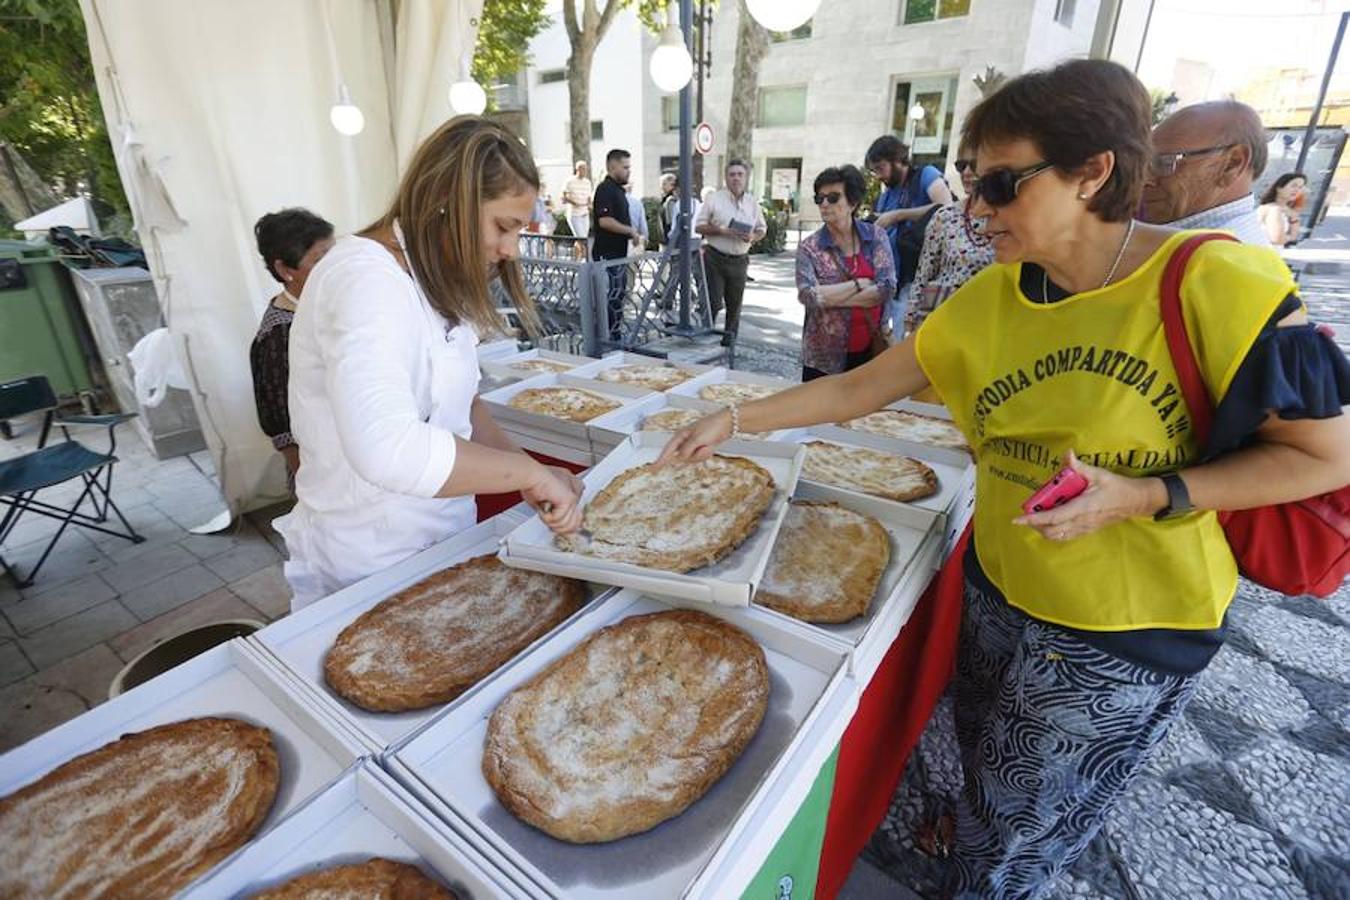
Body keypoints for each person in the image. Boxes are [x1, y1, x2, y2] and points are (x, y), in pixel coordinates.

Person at [661, 59, 1350, 899]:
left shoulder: (1215, 282)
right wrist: (731, 420)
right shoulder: (993, 299)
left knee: (1010, 847)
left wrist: (1147, 494)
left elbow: (1325, 456)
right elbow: (857, 386)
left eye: (1000, 183)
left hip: (1121, 633)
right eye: (967, 180)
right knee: (983, 784)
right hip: (998, 594)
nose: (975, 207)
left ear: (1093, 171)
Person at [275, 117, 584, 611]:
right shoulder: (365, 280)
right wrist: (526, 474)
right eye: (504, 227)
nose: (509, 250)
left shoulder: (432, 274)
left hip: (444, 537)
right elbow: (387, 448)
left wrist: (533, 468)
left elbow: (465, 404)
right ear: (448, 201)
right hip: (367, 558)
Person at [249, 208, 335, 483]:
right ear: (285, 269)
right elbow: (282, 428)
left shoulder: (321, 304)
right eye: (320, 260)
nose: (334, 267)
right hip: (323, 473)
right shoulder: (278, 337)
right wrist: (314, 486)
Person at [795, 164, 895, 381]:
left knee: (864, 414)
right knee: (818, 413)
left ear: (853, 202)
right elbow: (808, 296)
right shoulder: (809, 248)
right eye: (819, 198)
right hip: (823, 355)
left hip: (870, 349)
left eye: (833, 198)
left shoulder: (876, 237)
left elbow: (887, 288)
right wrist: (859, 284)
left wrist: (828, 296)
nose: (824, 204)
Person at [1141, 100, 1269, 244]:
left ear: (1232, 164)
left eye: (1166, 162)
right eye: (1144, 163)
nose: (1145, 178)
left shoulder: (1220, 258)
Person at [865, 135, 953, 335]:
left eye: (880, 168)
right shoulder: (886, 196)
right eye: (874, 170)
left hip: (922, 279)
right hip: (894, 282)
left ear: (897, 160)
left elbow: (947, 208)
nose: (878, 175)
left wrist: (898, 215)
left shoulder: (925, 175)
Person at [908, 151, 995, 335]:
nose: (966, 172)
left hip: (989, 326)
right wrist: (909, 325)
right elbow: (923, 276)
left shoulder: (1010, 219)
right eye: (961, 166)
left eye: (973, 164)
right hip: (943, 323)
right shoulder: (945, 217)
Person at [696, 159, 767, 346]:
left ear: (746, 178)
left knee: (735, 306)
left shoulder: (753, 203)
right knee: (712, 303)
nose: (736, 178)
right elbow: (698, 226)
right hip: (715, 258)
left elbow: (762, 229)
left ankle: (729, 345)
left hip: (740, 260)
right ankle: (704, 341)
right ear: (726, 177)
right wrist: (722, 231)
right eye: (732, 174)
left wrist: (753, 237)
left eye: (740, 174)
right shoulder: (714, 199)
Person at [592, 148, 639, 342]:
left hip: (617, 255)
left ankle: (614, 335)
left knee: (617, 298)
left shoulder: (617, 190)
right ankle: (608, 339)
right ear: (612, 166)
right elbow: (605, 221)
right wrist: (630, 231)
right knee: (610, 300)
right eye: (625, 167)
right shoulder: (605, 189)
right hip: (607, 256)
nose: (629, 171)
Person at [1258, 171, 1307, 247]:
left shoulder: (1287, 210)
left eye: (1300, 187)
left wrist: (1294, 217)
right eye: (1294, 185)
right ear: (1279, 188)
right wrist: (1289, 237)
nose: (1297, 190)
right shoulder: (1273, 209)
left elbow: (1293, 237)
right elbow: (1278, 239)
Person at [563, 160, 593, 240]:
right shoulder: (569, 181)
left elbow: (589, 197)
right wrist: (575, 203)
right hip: (574, 214)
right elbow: (564, 197)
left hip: (585, 214)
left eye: (586, 169)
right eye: (583, 169)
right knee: (581, 238)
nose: (585, 171)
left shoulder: (587, 182)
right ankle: (582, 253)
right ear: (577, 169)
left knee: (583, 239)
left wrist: (590, 205)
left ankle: (578, 253)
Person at [625, 181, 649, 253]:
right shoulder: (637, 203)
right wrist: (645, 239)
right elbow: (643, 226)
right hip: (634, 241)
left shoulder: (612, 200)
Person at [658, 172, 678, 245]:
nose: (661, 187)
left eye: (664, 184)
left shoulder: (671, 200)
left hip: (669, 238)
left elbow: (671, 221)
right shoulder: (665, 199)